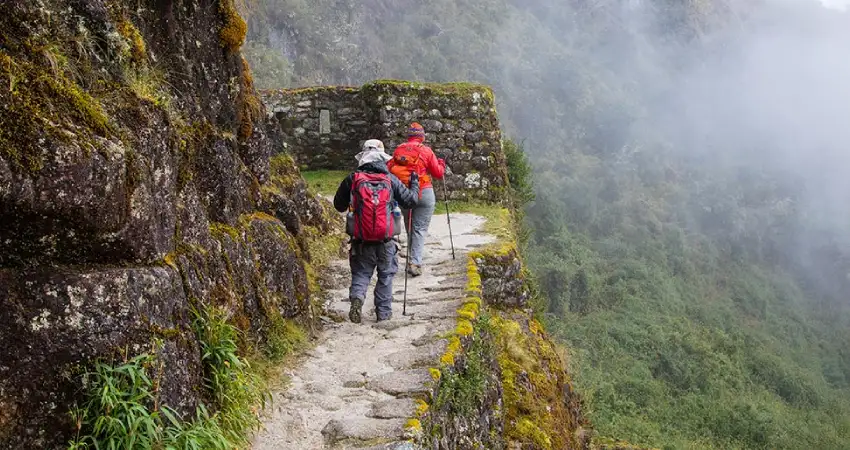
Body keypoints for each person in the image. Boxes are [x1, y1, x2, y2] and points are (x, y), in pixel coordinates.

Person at [333, 139, 419, 323]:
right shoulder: (390, 179)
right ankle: (384, 315)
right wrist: (414, 184)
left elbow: (338, 205)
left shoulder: (353, 178)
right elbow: (410, 201)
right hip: (386, 241)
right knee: (386, 276)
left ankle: (357, 297)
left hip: (361, 240)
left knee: (361, 274)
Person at [387, 122, 446, 277]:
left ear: (409, 136)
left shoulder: (399, 149)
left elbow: (389, 167)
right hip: (423, 191)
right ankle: (415, 262)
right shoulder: (426, 151)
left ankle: (411, 260)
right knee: (419, 229)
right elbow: (438, 174)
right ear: (422, 137)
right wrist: (441, 164)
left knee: (410, 226)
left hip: (404, 193)